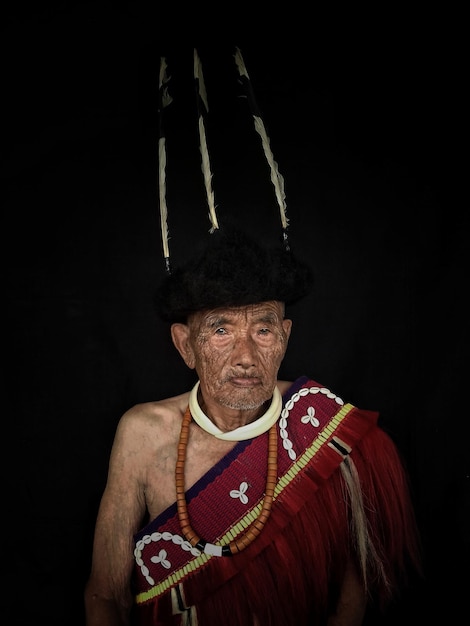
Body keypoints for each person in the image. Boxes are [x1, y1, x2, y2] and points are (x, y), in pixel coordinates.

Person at [84, 227, 421, 626]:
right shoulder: (144, 433)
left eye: (262, 330)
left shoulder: (318, 427)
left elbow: (351, 592)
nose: (246, 357)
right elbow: (106, 595)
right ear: (185, 345)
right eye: (221, 330)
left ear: (285, 336)